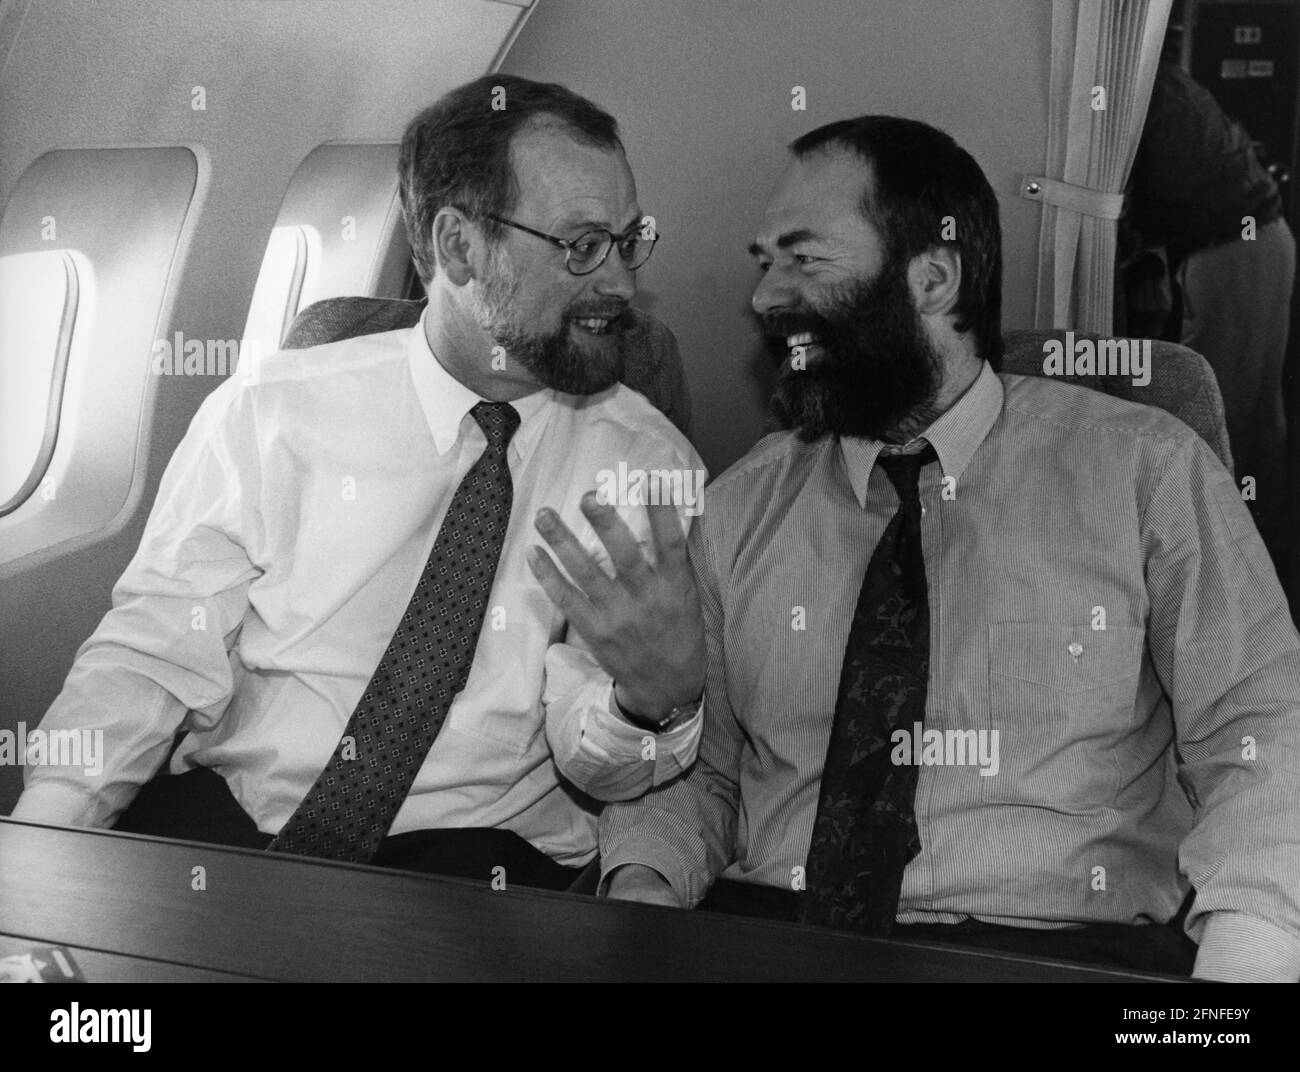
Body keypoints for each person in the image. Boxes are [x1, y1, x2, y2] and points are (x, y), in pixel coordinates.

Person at [600, 115, 1300, 981]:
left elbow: (1260, 737)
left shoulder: (1145, 473)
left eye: (803, 258)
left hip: (1056, 950)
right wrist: (642, 897)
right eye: (764, 261)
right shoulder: (739, 506)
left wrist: (1237, 986)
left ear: (931, 278)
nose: (765, 297)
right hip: (777, 935)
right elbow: (697, 778)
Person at [11, 75, 707, 892]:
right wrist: (41, 849)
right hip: (239, 823)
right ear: (458, 248)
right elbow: (154, 656)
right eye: (583, 245)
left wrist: (648, 703)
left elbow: (601, 771)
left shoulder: (647, 468)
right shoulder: (270, 411)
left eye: (630, 241)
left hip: (479, 863)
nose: (621, 283)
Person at [1127, 59, 1296, 568]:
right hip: (1263, 240)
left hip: (1227, 250)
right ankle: (1263, 569)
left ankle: (1229, 577)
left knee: (1216, 424)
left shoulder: (1122, 84)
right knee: (1255, 420)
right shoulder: (1153, 74)